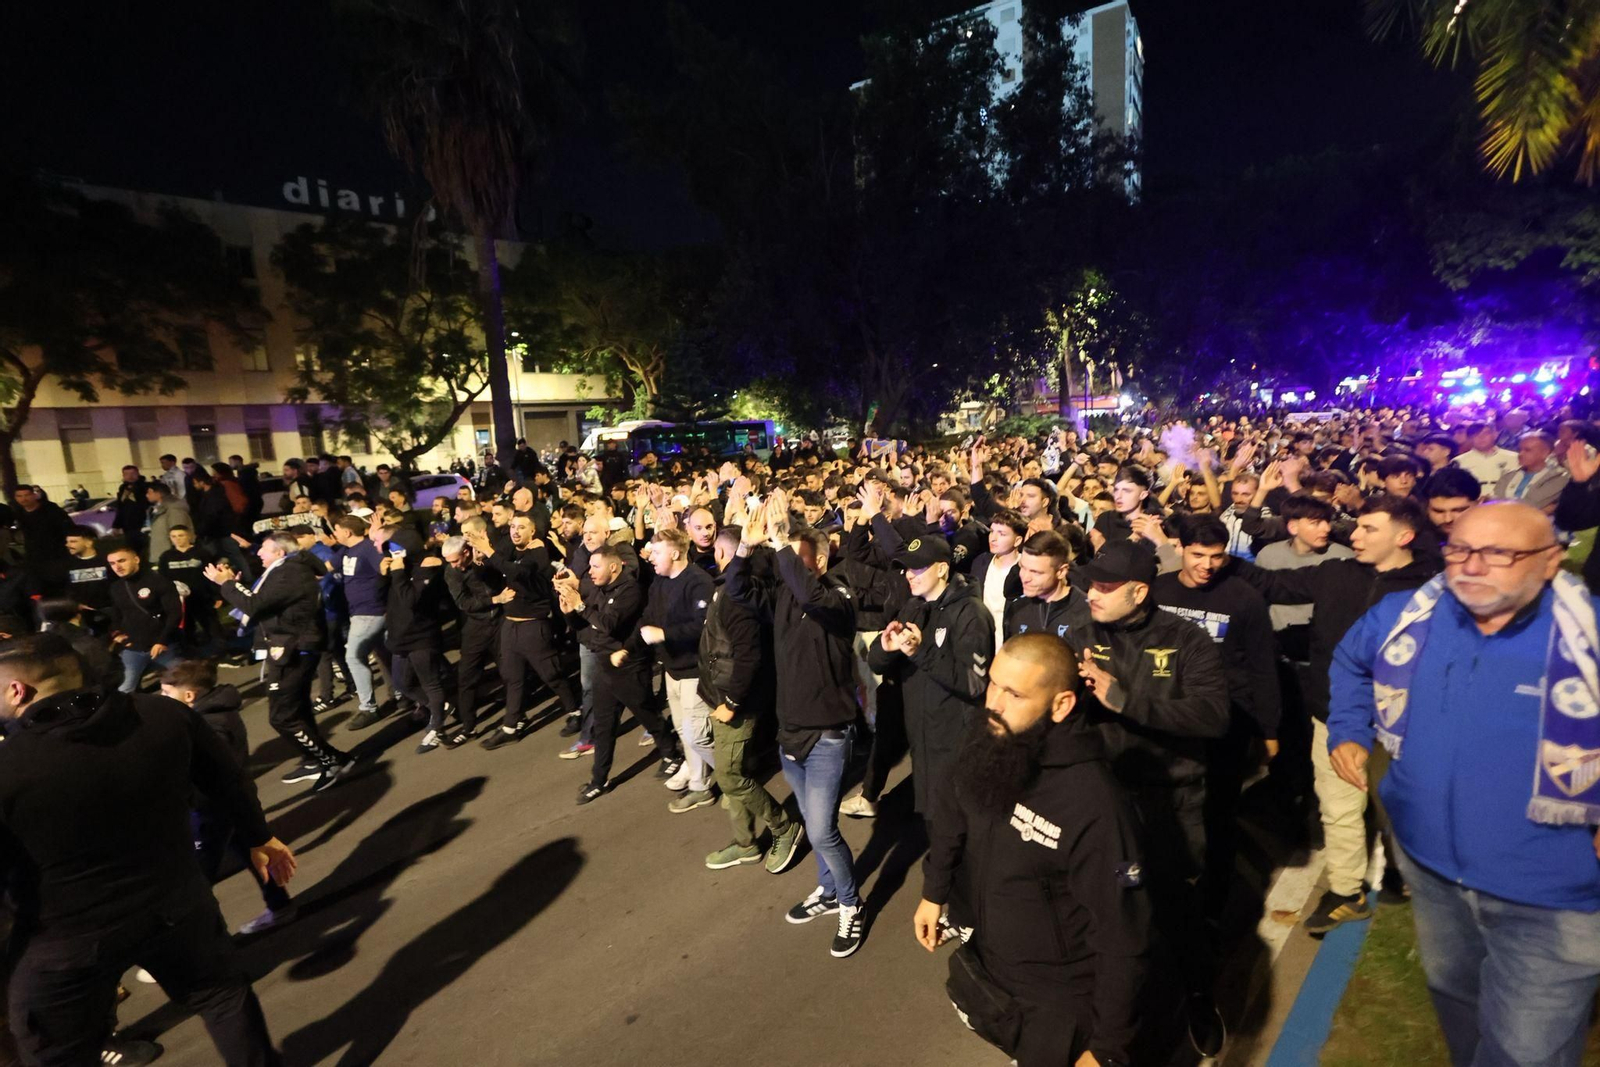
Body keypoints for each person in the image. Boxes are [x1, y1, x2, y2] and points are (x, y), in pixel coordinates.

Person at [1327, 502, 1600, 1067]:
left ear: (1551, 561)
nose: (1472, 566)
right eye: (1459, 548)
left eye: (1500, 553)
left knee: (1526, 1051)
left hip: (1554, 893)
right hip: (1431, 869)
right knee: (1457, 1000)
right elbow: (1352, 662)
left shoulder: (1589, 634)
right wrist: (1349, 728)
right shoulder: (1407, 616)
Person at [0, 633, 296, 1067]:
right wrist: (258, 837)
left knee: (57, 1054)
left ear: (16, 690)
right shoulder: (164, 714)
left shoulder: (11, 768)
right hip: (176, 902)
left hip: (64, 940)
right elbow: (227, 781)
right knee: (223, 997)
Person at [915, 634, 1169, 1067]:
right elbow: (952, 810)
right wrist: (934, 889)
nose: (993, 702)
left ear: (1061, 705)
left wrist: (1106, 1049)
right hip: (994, 971)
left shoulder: (1095, 805)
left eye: (1014, 694)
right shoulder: (990, 737)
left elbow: (1123, 934)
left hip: (1060, 1003)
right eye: (993, 684)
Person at [1229, 495, 1439, 933]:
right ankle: (1346, 891)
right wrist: (1217, 557)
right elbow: (1273, 584)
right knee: (1338, 807)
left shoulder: (1435, 588)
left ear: (1404, 537)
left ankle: (1408, 873)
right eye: (1356, 527)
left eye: (1368, 530)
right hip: (1333, 714)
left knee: (1398, 806)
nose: (1354, 536)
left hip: (1405, 723)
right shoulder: (1337, 572)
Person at [1071, 538, 1231, 1056]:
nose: (1092, 594)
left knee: (1176, 909)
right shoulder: (1080, 635)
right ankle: (1110, 1011)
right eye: (1090, 583)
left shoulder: (1187, 640)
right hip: (1103, 802)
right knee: (1108, 909)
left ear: (1139, 592)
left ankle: (1199, 996)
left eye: (1105, 586)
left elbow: (1212, 716)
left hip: (1170, 802)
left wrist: (1125, 700)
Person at [726, 496, 865, 958]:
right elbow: (739, 592)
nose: (784, 562)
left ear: (819, 562)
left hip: (828, 734)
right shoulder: (785, 595)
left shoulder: (839, 596)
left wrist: (784, 538)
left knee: (823, 830)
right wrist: (745, 548)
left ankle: (850, 904)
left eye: (794, 556)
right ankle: (828, 890)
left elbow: (809, 593)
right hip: (791, 732)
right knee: (812, 820)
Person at [1151, 518, 1279, 919]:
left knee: (1219, 811)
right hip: (1167, 716)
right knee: (1164, 803)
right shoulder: (1158, 590)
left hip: (1227, 720)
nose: (1207, 565)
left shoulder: (1243, 598)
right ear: (1181, 549)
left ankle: (1214, 895)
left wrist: (1268, 730)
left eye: (1216, 557)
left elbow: (1262, 667)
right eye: (1198, 555)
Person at [207, 531, 355, 793]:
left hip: (293, 648)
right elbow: (263, 602)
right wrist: (236, 586)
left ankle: (334, 759)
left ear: (280, 553)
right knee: (297, 710)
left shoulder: (289, 572)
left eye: (264, 549)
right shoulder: (286, 570)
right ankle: (315, 758)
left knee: (282, 717)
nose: (258, 554)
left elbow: (255, 605)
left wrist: (227, 584)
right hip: (289, 646)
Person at [160, 659, 297, 936]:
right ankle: (280, 906)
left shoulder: (210, 725)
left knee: (196, 878)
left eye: (165, 693)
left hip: (209, 809)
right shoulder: (211, 714)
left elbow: (210, 771)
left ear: (189, 695)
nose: (161, 699)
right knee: (250, 854)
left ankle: (192, 945)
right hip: (226, 806)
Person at [698, 525, 805, 872]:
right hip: (723, 695)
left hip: (735, 703)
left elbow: (748, 658)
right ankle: (745, 843)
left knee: (729, 777)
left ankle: (783, 828)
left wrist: (730, 703)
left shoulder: (737, 597)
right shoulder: (738, 588)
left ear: (721, 554)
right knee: (735, 771)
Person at [868, 533, 994, 829]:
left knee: (955, 831)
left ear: (941, 568)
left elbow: (975, 684)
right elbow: (875, 660)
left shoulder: (971, 613)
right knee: (935, 825)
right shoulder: (914, 605)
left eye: (918, 568)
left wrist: (920, 651)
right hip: (922, 735)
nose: (909, 575)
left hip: (955, 741)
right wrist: (886, 649)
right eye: (908, 568)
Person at [558, 544, 680, 802]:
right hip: (606, 666)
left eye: (595, 566)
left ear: (613, 567)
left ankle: (671, 754)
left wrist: (581, 607)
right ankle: (599, 780)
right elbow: (588, 631)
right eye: (589, 566)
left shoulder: (630, 591)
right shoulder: (595, 589)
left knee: (648, 715)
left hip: (630, 666)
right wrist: (570, 613)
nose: (589, 572)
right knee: (603, 726)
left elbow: (608, 624)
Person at [467, 512, 583, 748]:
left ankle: (576, 711)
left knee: (551, 673)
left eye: (521, 527)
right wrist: (479, 559)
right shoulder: (511, 549)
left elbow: (519, 572)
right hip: (510, 624)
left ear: (532, 531)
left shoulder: (538, 551)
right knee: (512, 676)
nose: (515, 531)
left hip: (533, 624)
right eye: (512, 526)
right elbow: (491, 573)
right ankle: (511, 726)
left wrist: (490, 554)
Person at [631, 527, 719, 811]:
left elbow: (702, 626)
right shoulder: (659, 581)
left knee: (697, 735)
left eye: (656, 552)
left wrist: (664, 634)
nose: (650, 558)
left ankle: (737, 777)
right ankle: (699, 784)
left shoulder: (698, 582)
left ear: (675, 552)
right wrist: (629, 645)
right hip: (672, 670)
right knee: (684, 732)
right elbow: (648, 616)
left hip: (695, 672)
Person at [380, 531, 459, 753]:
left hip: (421, 636)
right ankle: (441, 707)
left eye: (396, 548)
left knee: (430, 683)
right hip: (400, 637)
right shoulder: (400, 568)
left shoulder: (429, 566)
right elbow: (382, 597)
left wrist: (397, 574)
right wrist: (383, 574)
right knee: (402, 683)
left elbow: (410, 600)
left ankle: (436, 727)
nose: (392, 553)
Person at [331, 515, 393, 731]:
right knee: (385, 654)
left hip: (370, 611)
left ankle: (368, 708)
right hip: (358, 612)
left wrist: (376, 541)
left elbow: (383, 569)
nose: (334, 534)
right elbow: (327, 567)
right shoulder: (346, 550)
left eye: (337, 530)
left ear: (347, 532)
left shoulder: (367, 548)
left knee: (354, 656)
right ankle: (403, 694)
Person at [440, 532, 497, 742]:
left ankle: (517, 717)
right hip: (475, 627)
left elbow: (501, 579)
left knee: (511, 672)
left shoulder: (485, 561)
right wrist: (494, 599)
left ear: (466, 552)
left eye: (455, 560)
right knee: (466, 678)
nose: (453, 565)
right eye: (449, 562)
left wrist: (483, 564)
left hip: (501, 621)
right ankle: (468, 727)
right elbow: (464, 603)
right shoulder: (451, 572)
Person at [106, 542, 184, 693]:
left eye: (122, 561)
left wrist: (162, 641)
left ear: (136, 559)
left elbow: (174, 613)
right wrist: (117, 634)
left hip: (164, 646)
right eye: (112, 563)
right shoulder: (116, 587)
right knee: (125, 688)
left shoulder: (158, 581)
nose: (117, 567)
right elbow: (116, 614)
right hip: (134, 648)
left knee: (186, 681)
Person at [1002, 530, 1091, 644]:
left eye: (1035, 572)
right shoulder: (1017, 609)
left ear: (1061, 571)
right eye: (1022, 567)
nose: (1025, 577)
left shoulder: (1087, 614)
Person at [971, 509, 1025, 646]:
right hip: (981, 641)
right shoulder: (980, 562)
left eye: (1001, 534)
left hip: (1011, 643)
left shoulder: (1025, 569)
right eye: (992, 531)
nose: (993, 538)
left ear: (1017, 540)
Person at [11, 485, 74, 593]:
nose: (23, 499)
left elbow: (68, 528)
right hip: (34, 555)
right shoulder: (19, 512)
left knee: (59, 585)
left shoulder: (50, 509)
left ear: (34, 495)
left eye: (26, 495)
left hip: (56, 553)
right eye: (19, 496)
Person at [1491, 430, 1568, 513]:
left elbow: (1531, 504)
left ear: (1545, 453)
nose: (1520, 454)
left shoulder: (1559, 477)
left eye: (1527, 450)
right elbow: (1495, 502)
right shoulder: (1508, 475)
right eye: (1519, 450)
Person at [63, 529, 111, 629]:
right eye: (67, 542)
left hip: (110, 611)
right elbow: (66, 588)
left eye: (73, 541)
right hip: (82, 615)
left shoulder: (108, 560)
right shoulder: (66, 563)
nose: (67, 545)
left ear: (88, 543)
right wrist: (75, 605)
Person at [1453, 422, 1519, 494]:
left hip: (1507, 500)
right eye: (1476, 435)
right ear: (1469, 439)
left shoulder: (1514, 458)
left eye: (1485, 434)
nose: (1481, 438)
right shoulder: (1459, 461)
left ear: (1495, 435)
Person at [145, 481, 193, 565]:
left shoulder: (174, 508)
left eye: (149, 492)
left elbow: (179, 531)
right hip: (163, 554)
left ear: (158, 493)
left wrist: (176, 553)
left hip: (171, 557)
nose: (147, 495)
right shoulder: (160, 508)